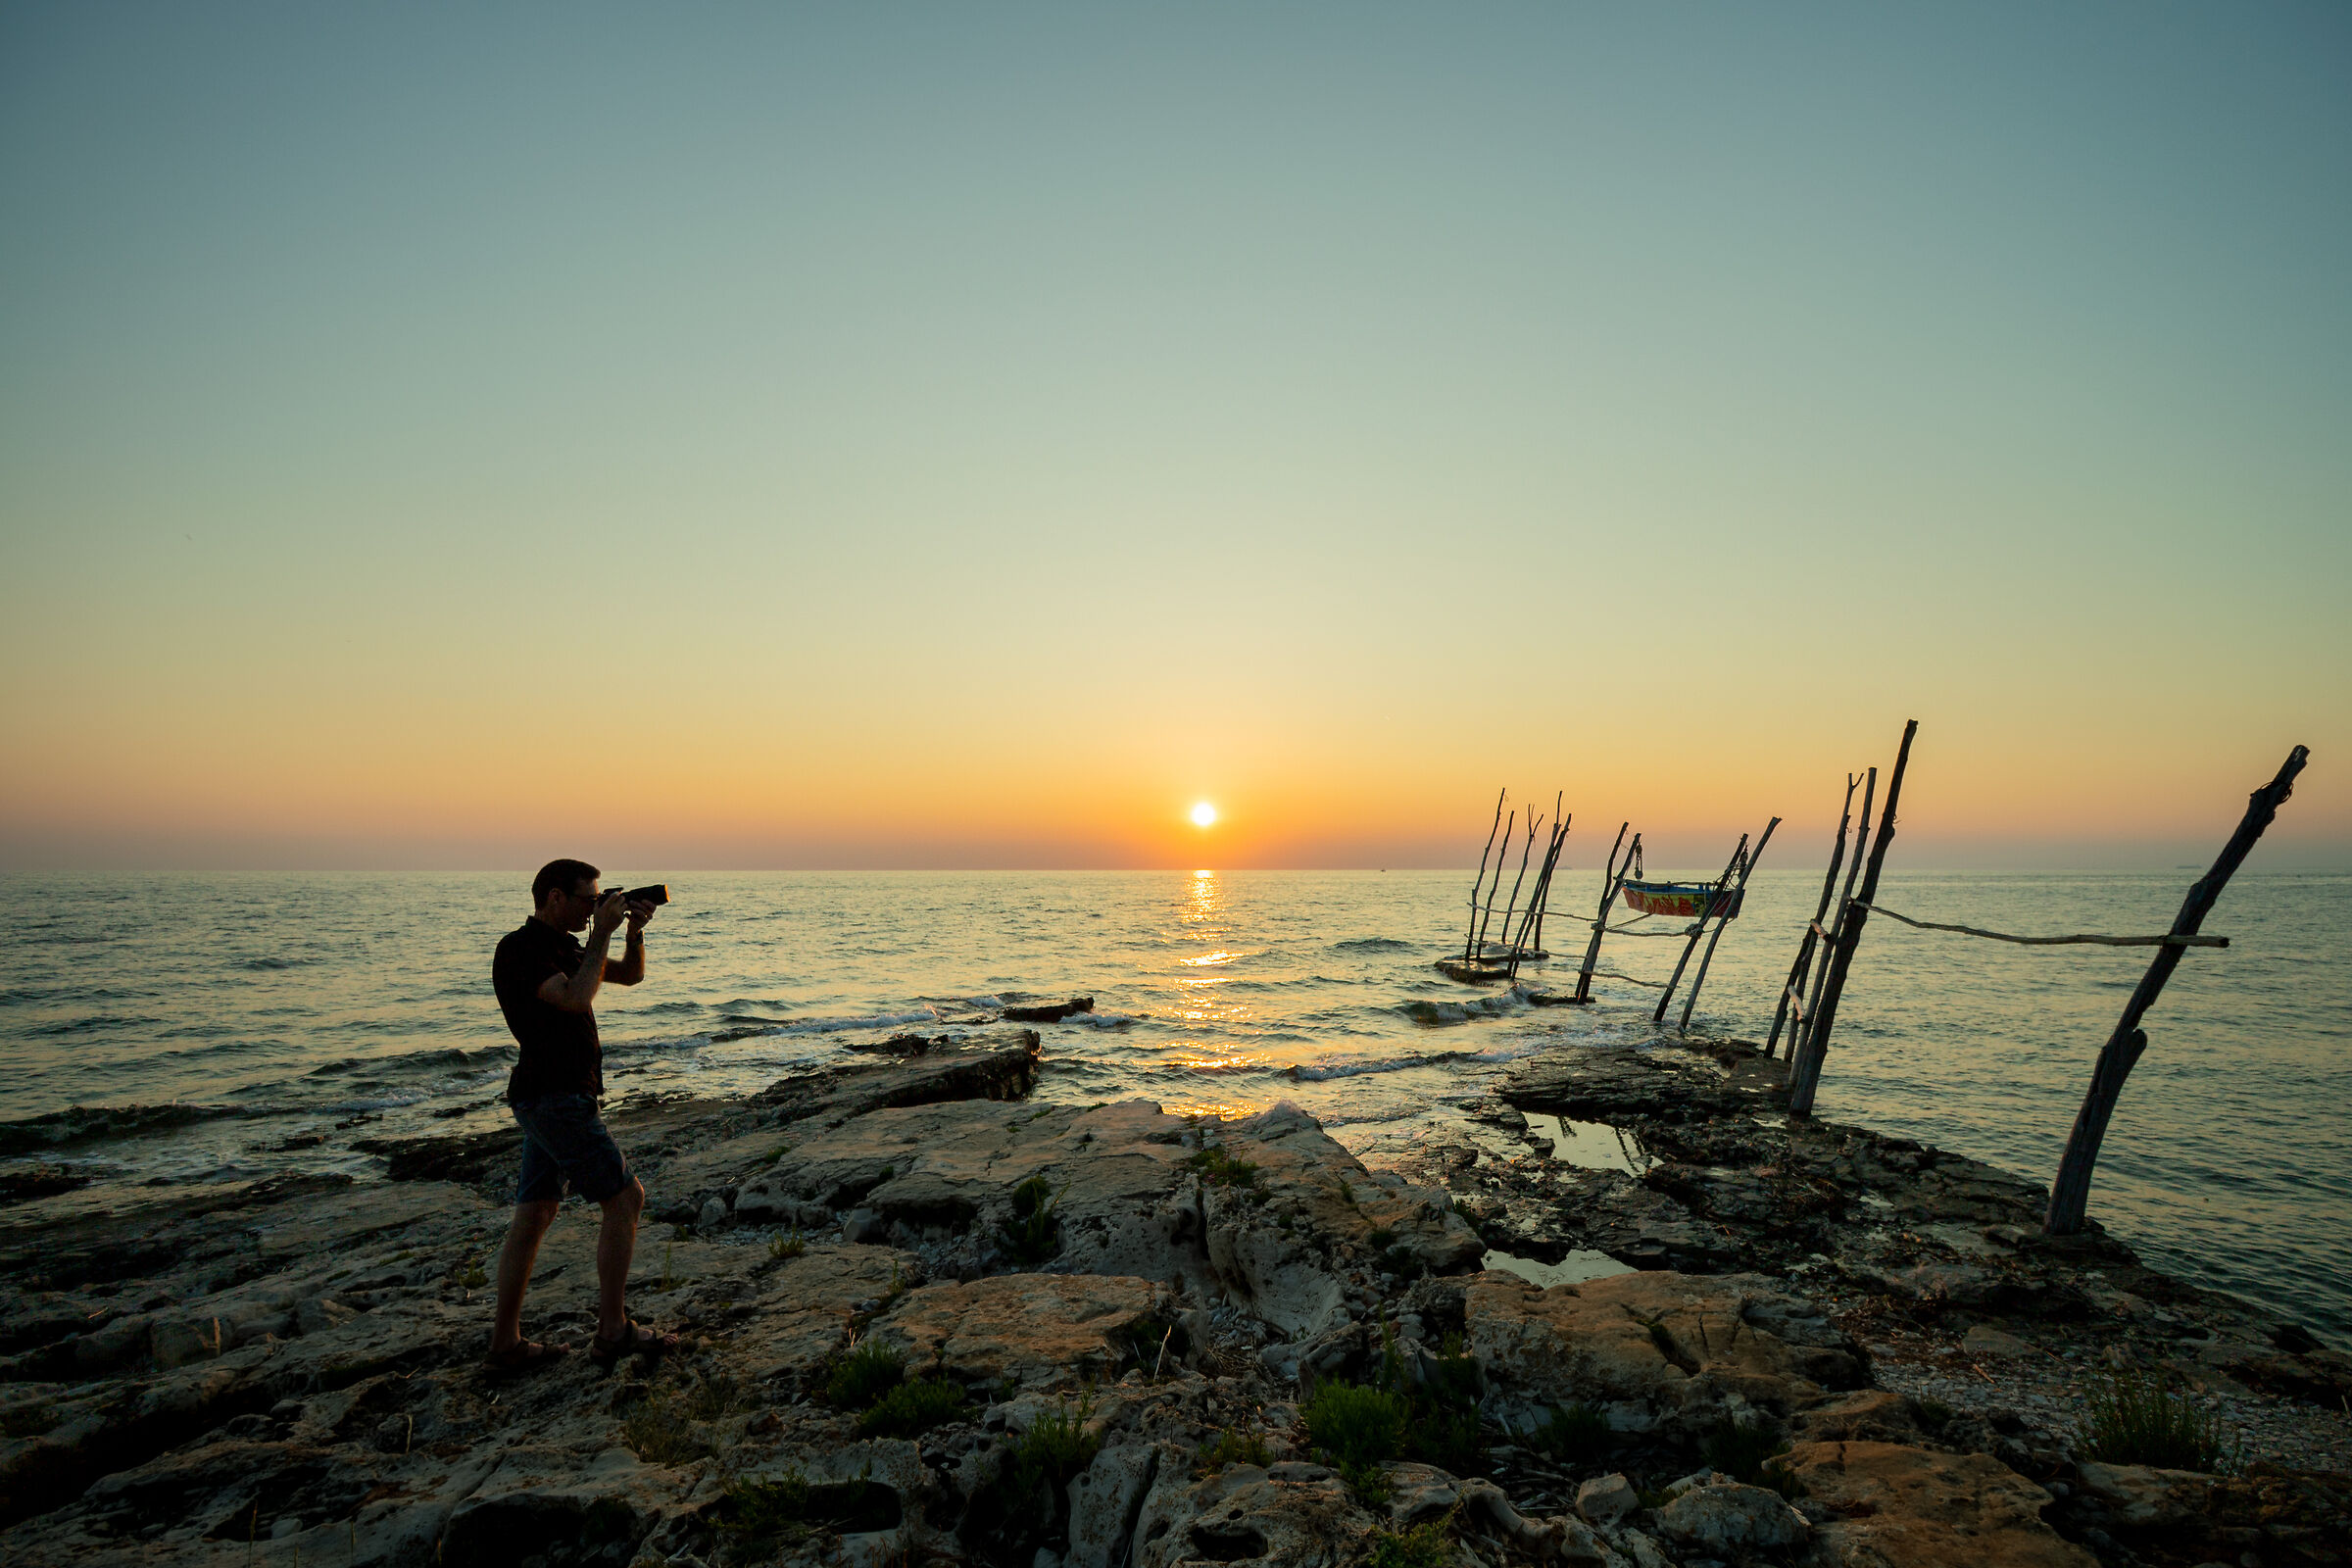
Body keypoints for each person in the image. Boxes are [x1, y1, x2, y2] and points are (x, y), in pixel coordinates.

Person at [485, 858, 679, 1372]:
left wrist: (632, 932)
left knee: (535, 1213)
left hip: (557, 1096)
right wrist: (602, 934)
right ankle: (612, 1331)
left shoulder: (569, 947)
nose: (593, 910)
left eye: (598, 902)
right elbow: (573, 998)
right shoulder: (520, 949)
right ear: (554, 897)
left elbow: (630, 976)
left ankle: (505, 1344)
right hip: (553, 1098)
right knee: (625, 1198)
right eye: (587, 901)